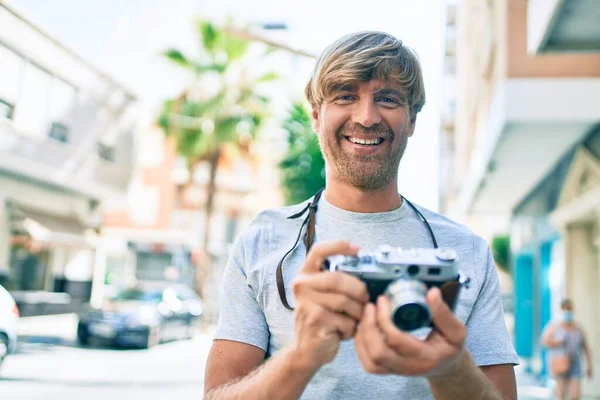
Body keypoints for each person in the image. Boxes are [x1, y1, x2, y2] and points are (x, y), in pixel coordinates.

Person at [204, 31, 519, 399]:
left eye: (387, 99)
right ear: (317, 116)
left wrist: (449, 368)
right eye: (346, 96)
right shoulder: (263, 242)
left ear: (412, 120)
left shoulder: (465, 253)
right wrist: (302, 356)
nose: (367, 118)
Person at [542, 299, 593, 400]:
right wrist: (557, 342)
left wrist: (589, 365)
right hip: (560, 363)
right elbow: (544, 342)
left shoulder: (578, 328)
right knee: (561, 394)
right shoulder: (554, 326)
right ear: (561, 310)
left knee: (575, 395)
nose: (568, 312)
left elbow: (586, 347)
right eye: (565, 310)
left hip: (574, 363)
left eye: (569, 309)